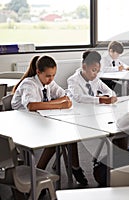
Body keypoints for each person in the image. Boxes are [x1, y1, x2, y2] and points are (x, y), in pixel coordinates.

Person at [11, 55, 88, 186]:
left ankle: (74, 167)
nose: (51, 79)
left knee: (70, 134)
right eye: (48, 76)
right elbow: (32, 105)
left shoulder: (48, 82)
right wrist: (58, 104)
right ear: (38, 72)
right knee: (57, 137)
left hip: (38, 120)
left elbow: (64, 95)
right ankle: (39, 171)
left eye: (53, 75)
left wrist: (55, 102)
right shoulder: (29, 84)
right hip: (22, 125)